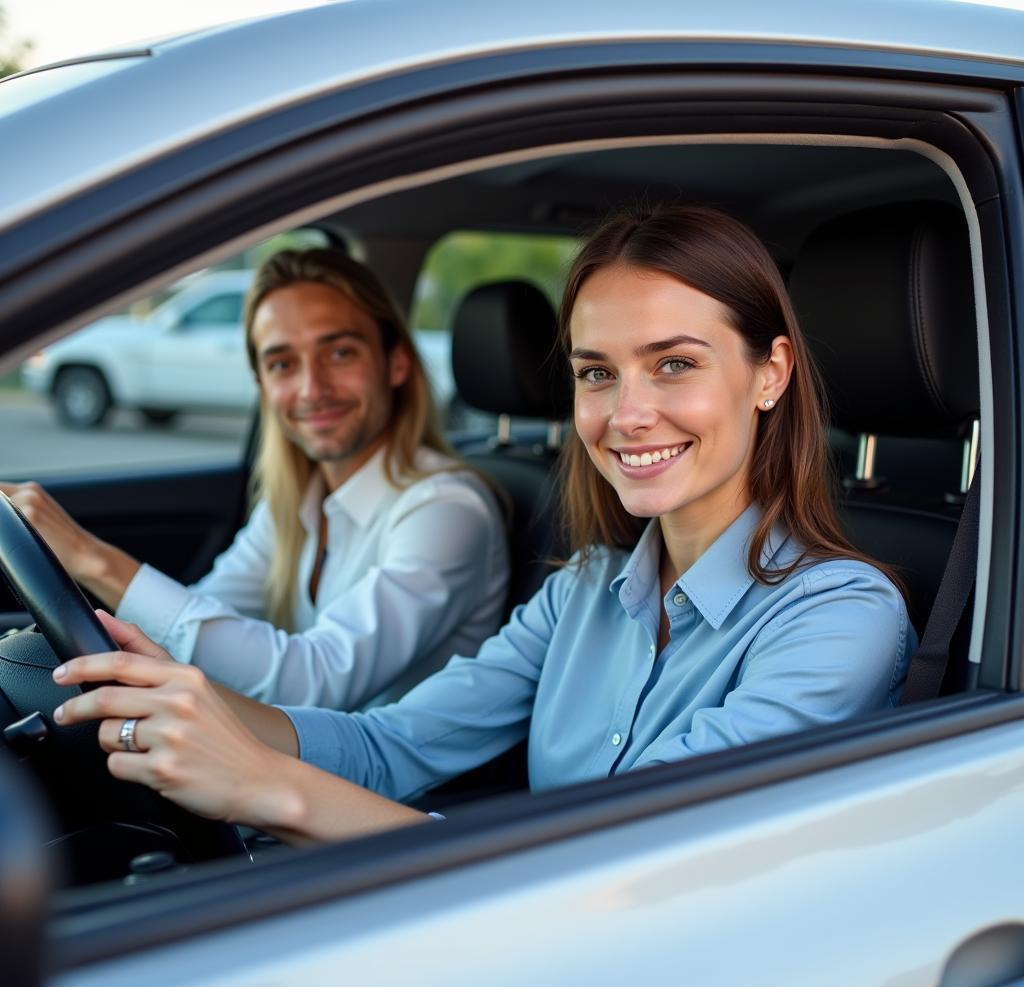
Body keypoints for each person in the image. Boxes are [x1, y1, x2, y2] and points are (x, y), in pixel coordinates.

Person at [51, 205, 917, 845]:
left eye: (675, 365)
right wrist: (198, 706)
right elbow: (393, 743)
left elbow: (615, 861)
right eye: (596, 373)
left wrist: (265, 787)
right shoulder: (582, 592)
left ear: (771, 375)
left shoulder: (841, 616)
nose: (629, 413)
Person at [2, 249, 509, 710]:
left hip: (395, 800)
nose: (312, 389)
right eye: (283, 363)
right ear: (262, 384)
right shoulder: (301, 498)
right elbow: (208, 611)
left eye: (340, 353)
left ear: (396, 363)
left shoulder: (447, 509)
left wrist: (91, 558)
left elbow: (317, 680)